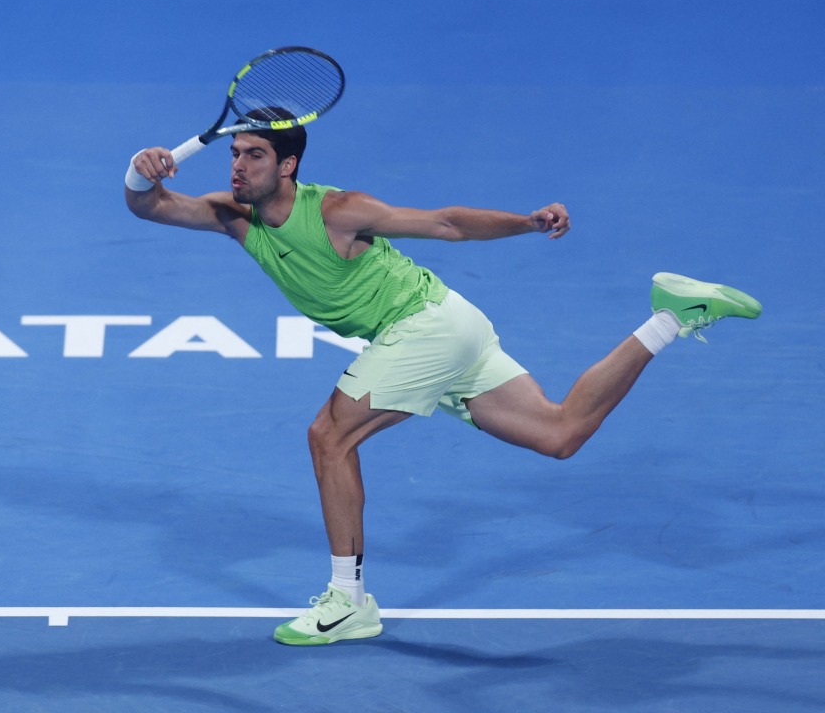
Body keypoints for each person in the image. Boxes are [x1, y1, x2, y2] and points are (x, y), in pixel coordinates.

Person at [123, 109, 762, 646]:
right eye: (235, 153)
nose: (238, 166)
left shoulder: (339, 211)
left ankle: (348, 601)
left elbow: (446, 222)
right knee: (560, 433)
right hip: (452, 326)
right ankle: (670, 317)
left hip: (426, 325)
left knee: (329, 436)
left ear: (287, 165)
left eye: (254, 155)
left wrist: (526, 222)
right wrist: (139, 169)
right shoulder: (233, 215)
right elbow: (149, 207)